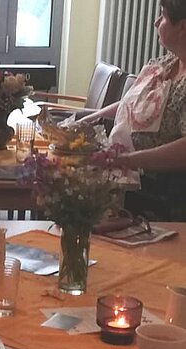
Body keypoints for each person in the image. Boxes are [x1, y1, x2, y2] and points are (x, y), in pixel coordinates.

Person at [79, 0, 186, 221]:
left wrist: (128, 160)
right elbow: (132, 103)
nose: (156, 22)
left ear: (183, 27)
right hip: (131, 169)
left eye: (163, 16)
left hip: (161, 189)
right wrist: (92, 117)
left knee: (77, 192)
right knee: (68, 173)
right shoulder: (167, 64)